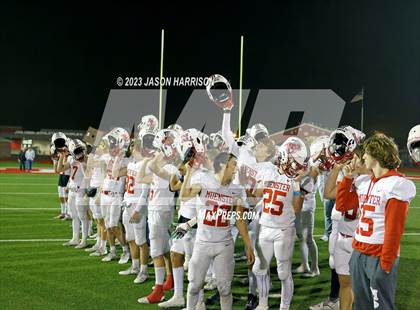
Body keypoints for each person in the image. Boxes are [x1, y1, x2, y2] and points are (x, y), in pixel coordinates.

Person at [337, 133, 416, 310]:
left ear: (376, 153)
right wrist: (347, 178)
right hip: (358, 252)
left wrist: (386, 263)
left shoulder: (396, 184)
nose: (363, 156)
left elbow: (394, 229)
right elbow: (342, 205)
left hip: (378, 255)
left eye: (366, 152)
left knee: (382, 306)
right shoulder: (365, 181)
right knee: (362, 305)